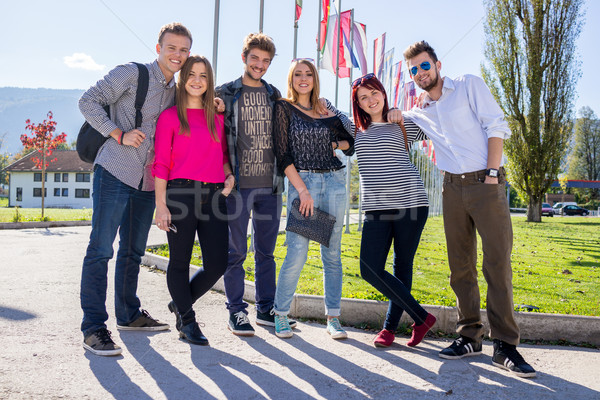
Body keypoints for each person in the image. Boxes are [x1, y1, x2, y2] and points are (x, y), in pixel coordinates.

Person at [388, 40, 536, 378]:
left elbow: (496, 126)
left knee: (497, 263)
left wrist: (493, 175)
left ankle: (505, 346)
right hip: (451, 187)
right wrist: (396, 112)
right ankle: (469, 335)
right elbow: (392, 121)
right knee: (460, 266)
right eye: (413, 70)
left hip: (486, 182)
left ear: (437, 64)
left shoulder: (469, 85)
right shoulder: (420, 110)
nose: (420, 73)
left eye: (424, 66)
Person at [78, 23, 193, 356]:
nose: (178, 55)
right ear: (158, 48)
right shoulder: (131, 73)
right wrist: (118, 132)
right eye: (172, 47)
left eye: (184, 50)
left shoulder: (179, 91)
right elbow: (88, 101)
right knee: (101, 249)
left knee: (132, 251)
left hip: (146, 181)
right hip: (114, 169)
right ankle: (94, 328)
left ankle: (128, 315)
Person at [216, 33, 297, 336]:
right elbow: (211, 134)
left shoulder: (276, 94)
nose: (260, 65)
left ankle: (265, 309)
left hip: (271, 187)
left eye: (265, 60)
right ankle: (236, 311)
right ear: (244, 57)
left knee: (266, 252)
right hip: (237, 187)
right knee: (235, 251)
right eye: (255, 58)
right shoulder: (225, 93)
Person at [351, 73, 437, 348]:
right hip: (375, 209)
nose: (371, 100)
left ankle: (389, 330)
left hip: (410, 203)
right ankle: (421, 317)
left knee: (402, 265)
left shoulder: (402, 123)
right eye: (363, 97)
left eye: (374, 93)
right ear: (358, 104)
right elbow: (323, 105)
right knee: (369, 268)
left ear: (383, 93)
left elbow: (435, 116)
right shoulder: (354, 130)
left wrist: (417, 102)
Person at [153, 55, 234, 346]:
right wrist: (160, 205)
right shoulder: (170, 117)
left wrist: (228, 176)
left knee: (217, 264)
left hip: (214, 195)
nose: (197, 80)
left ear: (210, 81)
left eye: (203, 75)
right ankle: (187, 321)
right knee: (180, 261)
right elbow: (161, 164)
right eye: (191, 74)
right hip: (180, 195)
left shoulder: (218, 117)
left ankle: (180, 302)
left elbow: (223, 155)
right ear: (182, 78)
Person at [272, 59, 354, 339]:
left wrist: (334, 140)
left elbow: (351, 141)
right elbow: (282, 154)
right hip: (302, 184)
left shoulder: (324, 107)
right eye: (298, 74)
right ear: (291, 78)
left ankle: (333, 318)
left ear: (314, 78)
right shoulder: (283, 108)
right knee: (297, 252)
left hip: (334, 181)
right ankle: (280, 315)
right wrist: (302, 190)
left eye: (308, 74)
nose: (303, 78)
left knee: (331, 254)